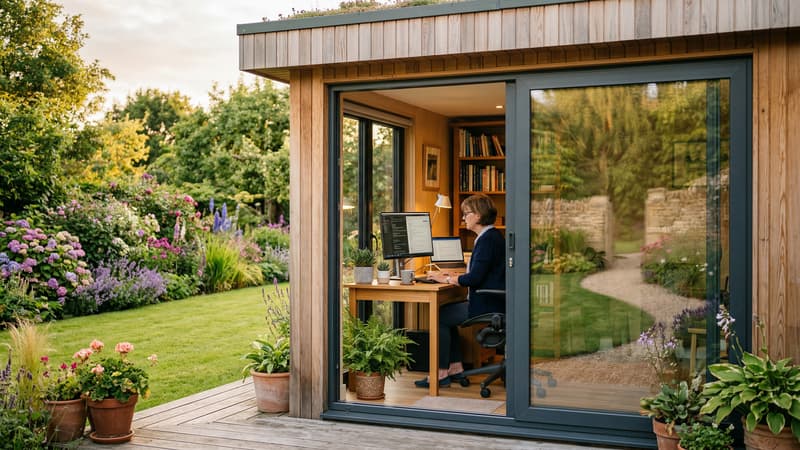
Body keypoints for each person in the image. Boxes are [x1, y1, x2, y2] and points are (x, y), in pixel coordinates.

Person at [415, 193, 505, 388]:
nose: (463, 218)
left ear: (478, 216)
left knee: (441, 316)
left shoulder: (486, 240)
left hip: (486, 304)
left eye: (466, 213)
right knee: (446, 314)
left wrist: (447, 278)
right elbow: (479, 272)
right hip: (493, 300)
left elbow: (474, 278)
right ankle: (455, 369)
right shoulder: (491, 235)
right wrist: (452, 275)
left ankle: (440, 374)